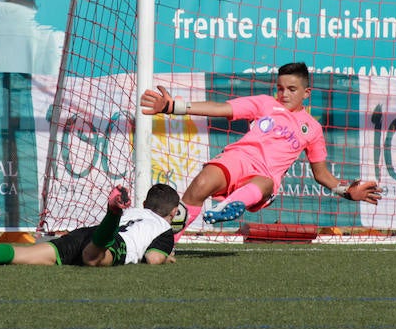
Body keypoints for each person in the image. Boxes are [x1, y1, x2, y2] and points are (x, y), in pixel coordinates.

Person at [140, 61, 382, 239]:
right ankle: (165, 243)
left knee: (267, 181)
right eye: (280, 88)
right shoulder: (265, 104)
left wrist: (347, 191)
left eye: (292, 89)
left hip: (264, 177)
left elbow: (322, 175)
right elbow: (219, 107)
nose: (284, 94)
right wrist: (174, 106)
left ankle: (231, 205)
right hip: (238, 158)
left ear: (307, 93)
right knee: (200, 185)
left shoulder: (314, 130)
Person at [0, 183, 180, 267]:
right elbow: (153, 258)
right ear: (174, 212)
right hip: (114, 242)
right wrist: (168, 257)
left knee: (26, 255)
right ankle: (112, 213)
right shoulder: (164, 229)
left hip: (85, 232)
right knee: (93, 258)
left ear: (146, 203)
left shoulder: (137, 211)